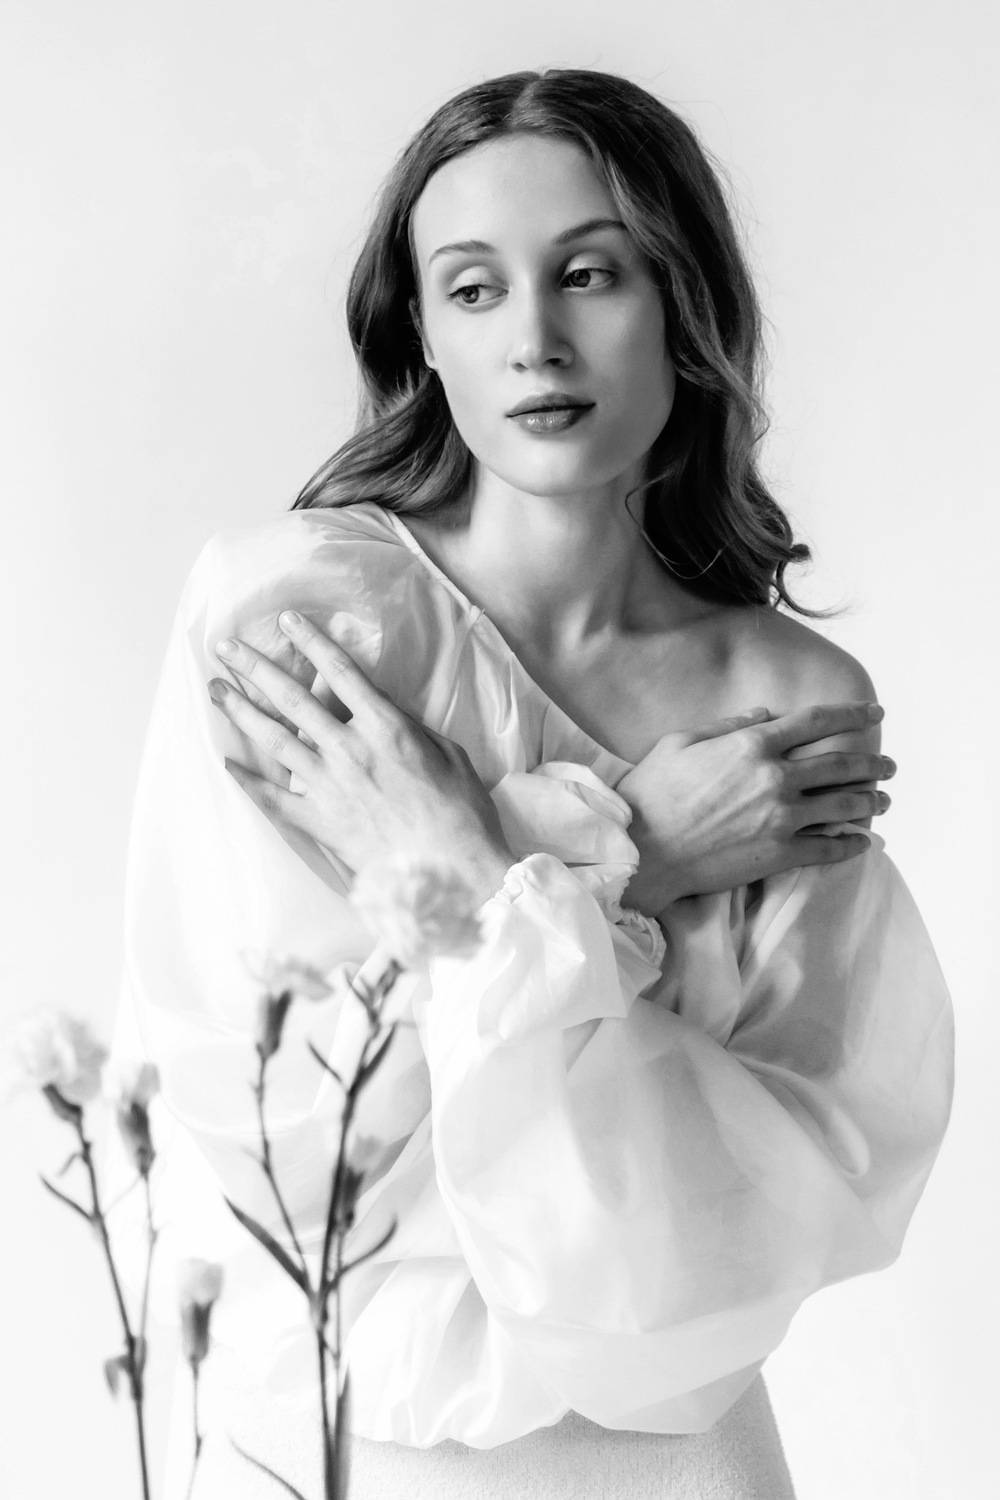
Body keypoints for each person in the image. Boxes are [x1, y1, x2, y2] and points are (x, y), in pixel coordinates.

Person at [115, 69, 954, 1499]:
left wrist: (469, 869)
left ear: (683, 304)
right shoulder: (302, 625)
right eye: (474, 288)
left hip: (673, 1448)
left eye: (589, 273)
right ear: (423, 337)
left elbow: (766, 1210)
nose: (536, 340)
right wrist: (626, 854)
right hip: (342, 1431)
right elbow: (289, 1145)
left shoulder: (788, 706)